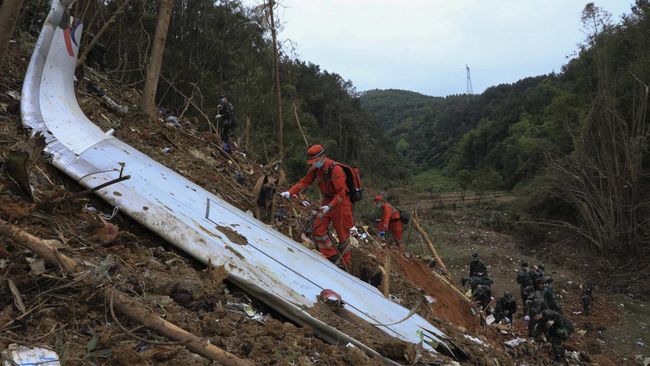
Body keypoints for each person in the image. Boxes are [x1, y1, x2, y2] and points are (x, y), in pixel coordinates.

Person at [280, 144, 354, 268]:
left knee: (342, 235)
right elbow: (304, 182)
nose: (314, 164)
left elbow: (341, 192)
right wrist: (290, 192)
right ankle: (332, 257)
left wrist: (330, 206)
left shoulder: (336, 170)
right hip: (327, 201)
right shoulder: (316, 169)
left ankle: (346, 265)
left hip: (341, 204)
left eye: (316, 161)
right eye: (313, 162)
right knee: (318, 228)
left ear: (323, 157)